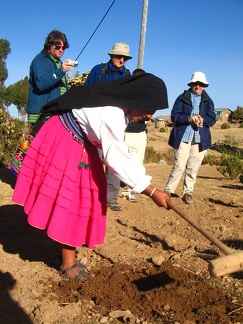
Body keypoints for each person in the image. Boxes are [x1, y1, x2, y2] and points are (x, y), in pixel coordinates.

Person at [12, 73, 170, 281]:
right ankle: (68, 264)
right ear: (136, 98)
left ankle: (64, 247)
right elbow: (116, 157)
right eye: (147, 107)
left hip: (75, 140)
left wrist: (146, 183)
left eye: (153, 110)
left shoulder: (117, 108)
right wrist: (150, 191)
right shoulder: (111, 113)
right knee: (74, 199)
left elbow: (117, 152)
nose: (149, 115)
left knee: (84, 196)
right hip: (65, 139)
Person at [85, 42, 132, 211]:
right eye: (119, 56)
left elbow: (130, 100)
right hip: (96, 124)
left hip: (117, 125)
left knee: (114, 162)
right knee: (94, 160)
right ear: (111, 56)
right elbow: (86, 93)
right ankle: (92, 196)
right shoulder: (99, 71)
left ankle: (111, 199)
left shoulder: (128, 75)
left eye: (125, 58)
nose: (122, 60)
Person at [164, 72, 216, 204]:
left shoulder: (208, 101)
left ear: (204, 86)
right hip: (183, 136)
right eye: (195, 84)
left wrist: (203, 120)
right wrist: (189, 119)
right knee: (179, 165)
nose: (197, 86)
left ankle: (188, 192)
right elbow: (174, 116)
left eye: (200, 84)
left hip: (200, 138)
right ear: (191, 84)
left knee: (193, 167)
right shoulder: (182, 98)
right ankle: (169, 190)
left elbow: (212, 119)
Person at [27, 29, 75, 125]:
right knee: (37, 140)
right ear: (49, 45)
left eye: (63, 47)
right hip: (42, 114)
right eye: (58, 47)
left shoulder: (57, 62)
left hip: (56, 112)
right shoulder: (40, 60)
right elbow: (41, 84)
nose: (61, 50)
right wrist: (61, 71)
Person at [121, 68, 148, 203]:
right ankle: (113, 189)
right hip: (125, 132)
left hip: (139, 133)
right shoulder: (126, 94)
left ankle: (129, 190)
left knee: (137, 163)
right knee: (121, 161)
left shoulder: (147, 96)